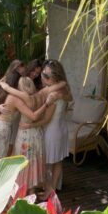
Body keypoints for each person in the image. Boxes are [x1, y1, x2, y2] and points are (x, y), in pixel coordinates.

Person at [0, 76, 56, 191]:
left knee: (23, 161)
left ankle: (21, 191)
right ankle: (32, 190)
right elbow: (44, 118)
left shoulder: (24, 98)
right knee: (34, 160)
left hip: (25, 134)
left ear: (21, 87)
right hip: (37, 133)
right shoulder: (40, 97)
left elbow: (10, 91)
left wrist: (4, 86)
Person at [41, 60, 72, 195]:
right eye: (44, 74)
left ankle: (50, 190)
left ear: (55, 75)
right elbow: (69, 98)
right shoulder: (64, 89)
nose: (44, 77)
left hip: (52, 131)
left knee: (49, 162)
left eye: (47, 75)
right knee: (57, 160)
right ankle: (53, 188)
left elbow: (45, 118)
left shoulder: (52, 94)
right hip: (61, 129)